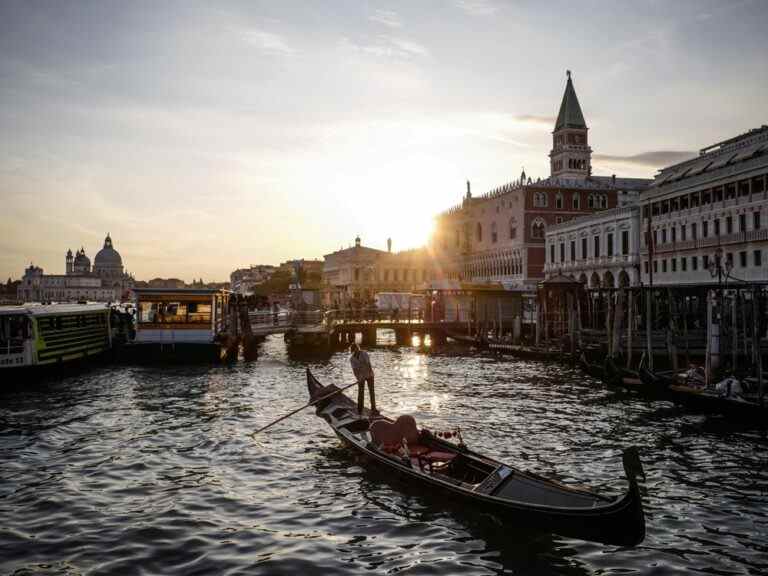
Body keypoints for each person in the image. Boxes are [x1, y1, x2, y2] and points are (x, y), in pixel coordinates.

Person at [349, 342, 376, 416]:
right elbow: (355, 370)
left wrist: (369, 374)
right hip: (360, 377)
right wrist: (359, 378)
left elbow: (368, 364)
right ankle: (360, 410)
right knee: (360, 393)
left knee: (371, 392)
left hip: (369, 374)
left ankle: (373, 409)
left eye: (357, 350)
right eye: (354, 351)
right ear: (352, 351)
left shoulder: (364, 354)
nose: (356, 351)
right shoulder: (352, 359)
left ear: (358, 349)